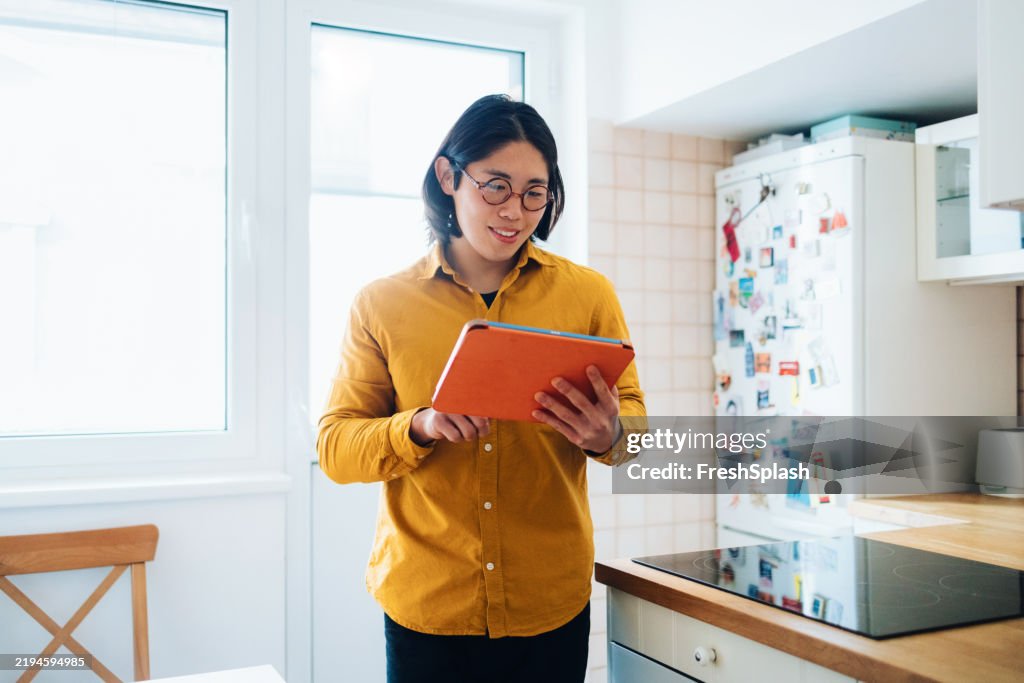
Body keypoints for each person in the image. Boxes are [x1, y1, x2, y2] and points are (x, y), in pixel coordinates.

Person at [317, 94, 645, 683]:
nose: (514, 211)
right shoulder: (381, 303)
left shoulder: (589, 296)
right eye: (495, 186)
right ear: (449, 176)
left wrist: (611, 434)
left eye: (534, 192)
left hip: (548, 601)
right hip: (429, 603)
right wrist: (418, 425)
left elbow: (635, 431)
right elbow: (336, 448)